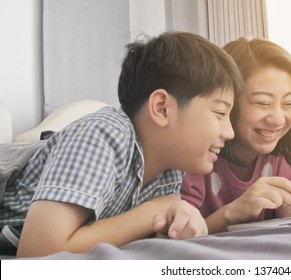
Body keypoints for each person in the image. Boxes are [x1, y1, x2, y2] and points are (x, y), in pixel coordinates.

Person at [0, 31, 243, 257]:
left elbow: (128, 234)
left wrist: (175, 222)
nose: (230, 132)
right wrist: (152, 212)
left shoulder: (168, 168)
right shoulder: (102, 135)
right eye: (220, 113)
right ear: (162, 108)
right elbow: (38, 254)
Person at [180, 37, 291, 233]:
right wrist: (233, 212)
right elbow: (178, 237)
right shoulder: (195, 156)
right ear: (227, 102)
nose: (277, 119)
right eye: (262, 103)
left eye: (289, 103)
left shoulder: (284, 155)